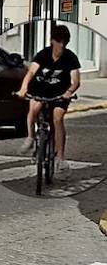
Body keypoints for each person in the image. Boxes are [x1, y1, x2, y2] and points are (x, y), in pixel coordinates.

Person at [16, 24, 82, 162]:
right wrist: (23, 88)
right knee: (34, 108)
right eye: (59, 41)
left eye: (64, 42)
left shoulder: (70, 58)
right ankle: (31, 137)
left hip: (60, 92)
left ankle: (60, 158)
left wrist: (69, 92)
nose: (61, 45)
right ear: (52, 41)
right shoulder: (43, 54)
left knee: (57, 118)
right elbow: (31, 72)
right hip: (40, 89)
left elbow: (75, 80)